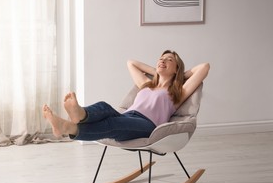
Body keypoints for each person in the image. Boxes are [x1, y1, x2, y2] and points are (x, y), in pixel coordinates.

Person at [43, 50, 210, 141]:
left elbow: (204, 67)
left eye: (169, 60)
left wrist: (180, 76)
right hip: (128, 116)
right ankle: (73, 121)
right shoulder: (146, 84)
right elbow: (131, 63)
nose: (162, 61)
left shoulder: (177, 93)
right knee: (104, 107)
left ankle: (73, 121)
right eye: (160, 59)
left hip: (148, 125)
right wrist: (157, 73)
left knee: (112, 123)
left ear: (177, 69)